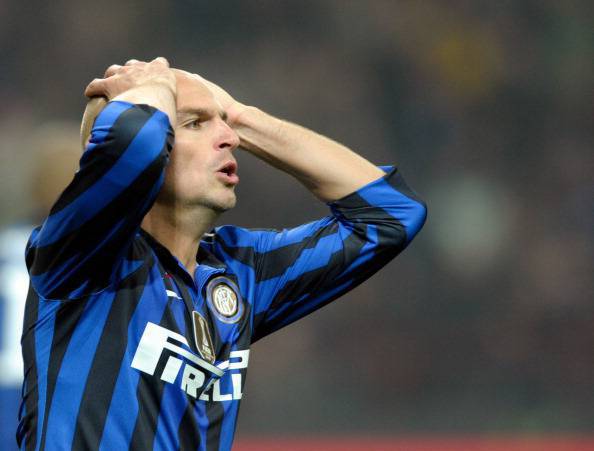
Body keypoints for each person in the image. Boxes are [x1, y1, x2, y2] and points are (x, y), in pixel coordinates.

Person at [17, 57, 427, 450]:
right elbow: (131, 146)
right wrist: (150, 86)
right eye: (194, 123)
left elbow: (392, 215)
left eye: (224, 125)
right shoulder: (82, 253)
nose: (229, 139)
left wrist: (242, 117)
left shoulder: (238, 272)